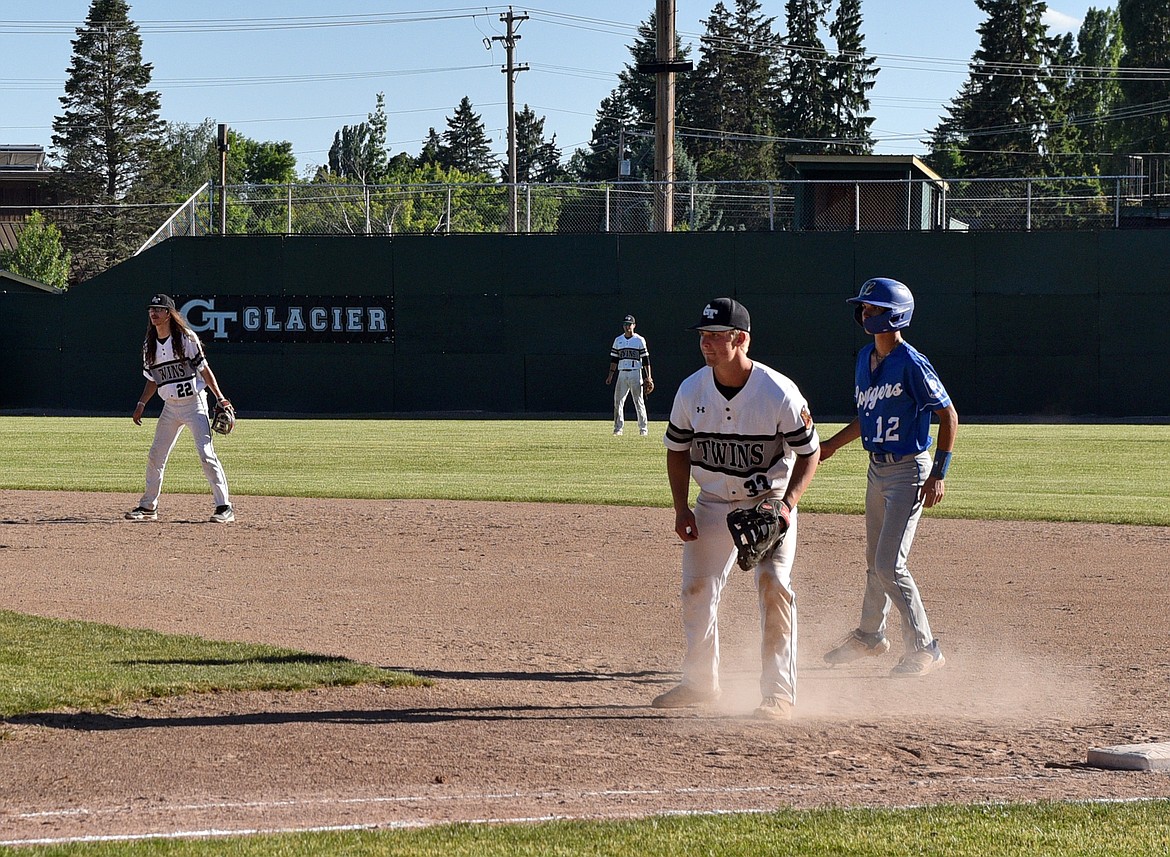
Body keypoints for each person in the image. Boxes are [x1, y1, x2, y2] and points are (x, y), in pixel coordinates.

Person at [655, 297, 820, 721]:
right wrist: (680, 508)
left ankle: (779, 694)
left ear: (740, 339)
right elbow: (677, 450)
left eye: (715, 336)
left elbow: (809, 454)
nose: (706, 344)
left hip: (768, 503)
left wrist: (787, 505)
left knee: (774, 585)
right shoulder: (692, 389)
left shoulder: (778, 391)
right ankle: (700, 683)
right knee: (696, 590)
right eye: (703, 337)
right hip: (711, 501)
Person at [819, 277, 958, 677]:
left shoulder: (911, 362)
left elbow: (948, 415)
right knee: (873, 561)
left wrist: (939, 473)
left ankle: (926, 647)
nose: (865, 313)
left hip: (909, 472)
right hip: (876, 469)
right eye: (864, 307)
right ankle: (869, 636)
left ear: (895, 315)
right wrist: (831, 445)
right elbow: (867, 417)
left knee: (889, 564)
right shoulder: (865, 357)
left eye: (874, 308)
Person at [126, 293, 235, 524]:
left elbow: (204, 370)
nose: (154, 313)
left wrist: (220, 398)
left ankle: (224, 507)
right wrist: (141, 403)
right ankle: (148, 507)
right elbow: (153, 379)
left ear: (169, 313)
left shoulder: (186, 338)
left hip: (195, 404)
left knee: (206, 455)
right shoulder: (149, 345)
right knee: (156, 455)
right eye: (151, 309)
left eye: (159, 309)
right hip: (170, 408)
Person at [605, 314, 654, 436]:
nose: (627, 327)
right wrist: (611, 375)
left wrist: (649, 376)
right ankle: (618, 429)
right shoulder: (618, 340)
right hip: (622, 373)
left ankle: (643, 429)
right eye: (625, 324)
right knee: (618, 401)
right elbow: (614, 359)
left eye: (629, 324)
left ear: (634, 325)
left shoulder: (639, 340)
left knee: (638, 401)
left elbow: (646, 360)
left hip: (635, 373)